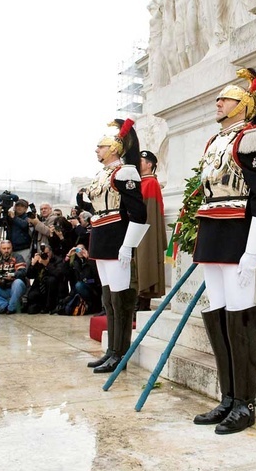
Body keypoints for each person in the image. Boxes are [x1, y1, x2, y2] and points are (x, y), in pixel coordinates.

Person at [190, 63, 256, 435]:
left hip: (239, 234)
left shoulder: (253, 136)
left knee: (240, 318)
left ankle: (245, 403)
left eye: (224, 98)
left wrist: (252, 250)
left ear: (244, 104)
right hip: (212, 234)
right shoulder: (214, 142)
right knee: (217, 314)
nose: (217, 102)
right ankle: (228, 397)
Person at [77, 118, 148, 373]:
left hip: (117, 239)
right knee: (108, 298)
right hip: (101, 239)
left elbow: (139, 213)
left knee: (121, 299)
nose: (97, 150)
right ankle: (111, 350)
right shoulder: (102, 174)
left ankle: (121, 353)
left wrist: (128, 245)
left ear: (115, 148)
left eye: (101, 146)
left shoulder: (125, 172)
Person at [135, 150, 167, 313]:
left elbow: (151, 212)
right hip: (136, 227)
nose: (138, 163)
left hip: (145, 228)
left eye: (141, 161)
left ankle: (142, 303)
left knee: (145, 261)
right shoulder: (138, 182)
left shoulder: (151, 183)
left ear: (149, 165)